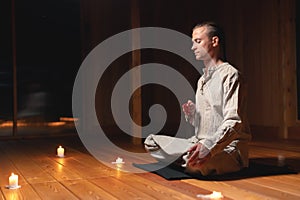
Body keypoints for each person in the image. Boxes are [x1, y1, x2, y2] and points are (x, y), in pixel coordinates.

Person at [144, 21, 251, 176]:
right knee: (151, 142)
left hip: (227, 148)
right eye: (193, 42)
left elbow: (234, 121)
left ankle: (193, 161)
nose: (193, 47)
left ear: (214, 41)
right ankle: (192, 159)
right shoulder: (202, 80)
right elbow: (205, 125)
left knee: (198, 163)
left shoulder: (231, 75)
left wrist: (209, 146)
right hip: (198, 143)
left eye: (198, 41)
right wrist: (194, 116)